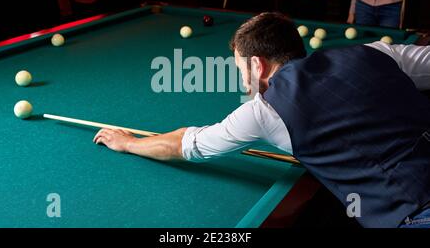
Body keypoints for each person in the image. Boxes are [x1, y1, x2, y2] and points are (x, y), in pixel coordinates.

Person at [94, 12, 430, 228]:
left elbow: (189, 145)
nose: (243, 82)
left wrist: (130, 143)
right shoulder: (378, 52)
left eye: (241, 70)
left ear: (258, 65)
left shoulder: (264, 112)